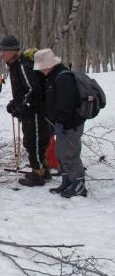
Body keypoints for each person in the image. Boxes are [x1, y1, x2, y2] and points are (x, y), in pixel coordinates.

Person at [34, 49, 87, 198]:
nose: (41, 70)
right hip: (61, 123)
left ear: (48, 65)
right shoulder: (52, 76)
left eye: (41, 67)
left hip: (70, 123)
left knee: (71, 154)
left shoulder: (63, 77)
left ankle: (79, 185)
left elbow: (66, 103)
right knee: (61, 154)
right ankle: (67, 181)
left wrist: (60, 121)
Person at [0, 35, 51, 187]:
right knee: (33, 141)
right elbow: (24, 91)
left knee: (33, 141)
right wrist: (14, 104)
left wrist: (21, 106)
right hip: (29, 111)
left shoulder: (22, 65)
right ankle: (42, 169)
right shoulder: (15, 65)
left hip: (35, 112)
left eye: (4, 51)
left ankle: (38, 175)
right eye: (0, 51)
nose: (1, 54)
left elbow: (33, 90)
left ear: (13, 51)